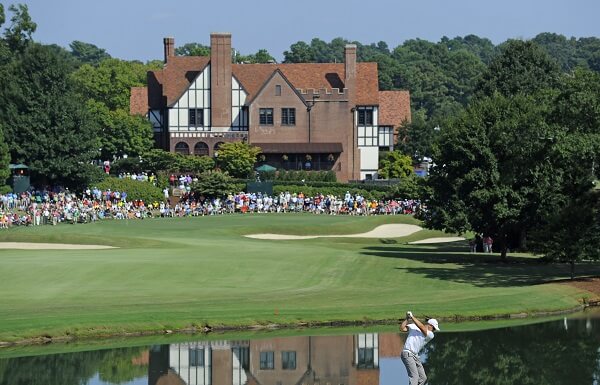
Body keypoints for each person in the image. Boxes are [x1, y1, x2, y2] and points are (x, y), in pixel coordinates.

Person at [400, 311, 440, 385]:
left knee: (423, 378)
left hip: (415, 356)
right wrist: (407, 319)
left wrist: (412, 317)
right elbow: (402, 328)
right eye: (434, 328)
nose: (434, 330)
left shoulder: (431, 335)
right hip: (407, 354)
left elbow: (421, 327)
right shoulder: (414, 326)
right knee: (414, 377)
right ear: (430, 325)